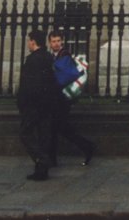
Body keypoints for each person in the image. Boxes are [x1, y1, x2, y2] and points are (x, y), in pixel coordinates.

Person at [16, 29, 60, 181]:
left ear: (33, 42)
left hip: (34, 105)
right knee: (43, 136)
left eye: (29, 41)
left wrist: (22, 103)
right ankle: (41, 171)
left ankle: (42, 160)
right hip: (47, 104)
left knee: (25, 133)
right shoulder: (48, 57)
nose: (28, 43)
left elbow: (28, 85)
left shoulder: (32, 60)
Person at [47, 31, 94, 168]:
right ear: (49, 43)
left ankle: (87, 146)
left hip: (62, 98)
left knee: (60, 128)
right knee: (57, 128)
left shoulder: (64, 55)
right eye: (53, 41)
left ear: (62, 41)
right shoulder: (54, 56)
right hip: (57, 98)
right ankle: (53, 159)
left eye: (58, 41)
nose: (56, 44)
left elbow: (64, 77)